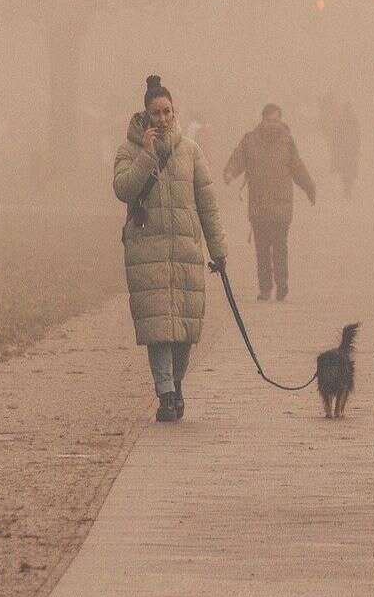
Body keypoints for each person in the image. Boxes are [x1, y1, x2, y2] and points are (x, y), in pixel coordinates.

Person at [113, 75, 228, 424]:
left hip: (185, 252)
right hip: (147, 252)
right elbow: (123, 190)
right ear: (145, 117)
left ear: (173, 112)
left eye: (166, 112)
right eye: (155, 113)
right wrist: (146, 157)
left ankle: (176, 383)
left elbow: (207, 203)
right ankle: (165, 393)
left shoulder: (190, 151)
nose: (162, 119)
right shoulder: (128, 151)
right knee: (159, 331)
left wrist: (218, 249)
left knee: (185, 332)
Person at [224, 103, 316, 302]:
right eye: (269, 120)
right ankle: (265, 288)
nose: (273, 125)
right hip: (258, 206)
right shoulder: (250, 141)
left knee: (280, 247)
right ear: (262, 119)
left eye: (276, 121)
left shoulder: (287, 142)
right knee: (262, 250)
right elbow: (238, 158)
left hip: (281, 205)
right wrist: (230, 172)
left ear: (280, 121)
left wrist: (309, 187)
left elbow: (297, 167)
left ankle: (282, 284)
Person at [334, 100, 361, 199]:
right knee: (349, 169)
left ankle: (347, 187)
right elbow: (358, 135)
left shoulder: (341, 120)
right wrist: (357, 147)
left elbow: (336, 136)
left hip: (346, 150)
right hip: (350, 149)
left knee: (346, 169)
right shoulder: (353, 120)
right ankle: (348, 188)